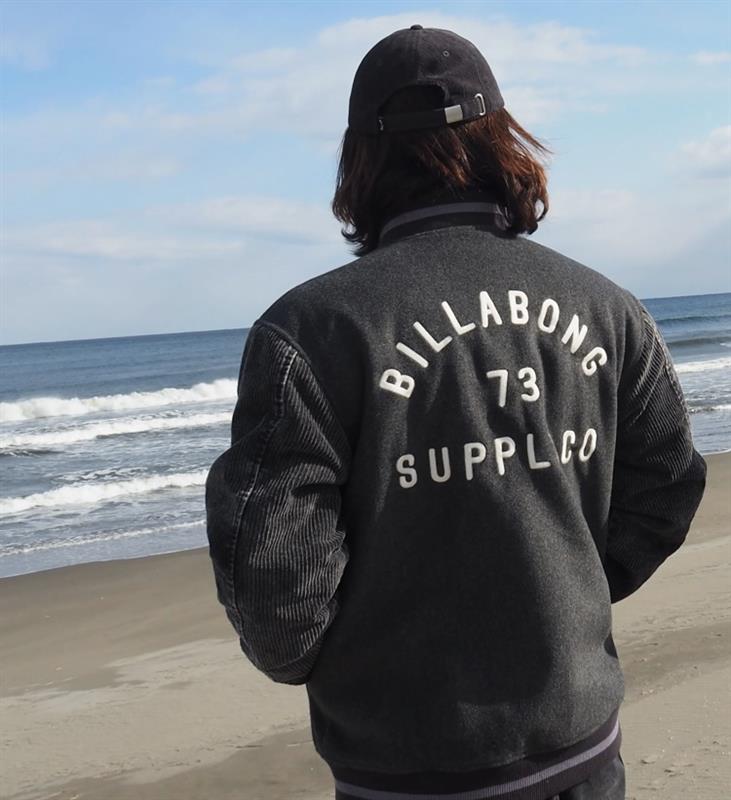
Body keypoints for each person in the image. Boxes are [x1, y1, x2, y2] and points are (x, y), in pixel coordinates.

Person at [204, 25, 707, 800]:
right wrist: (565, 593)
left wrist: (338, 659)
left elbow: (274, 585)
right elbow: (666, 483)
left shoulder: (311, 329)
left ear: (359, 160)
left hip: (407, 766)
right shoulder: (604, 307)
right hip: (579, 748)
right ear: (502, 139)